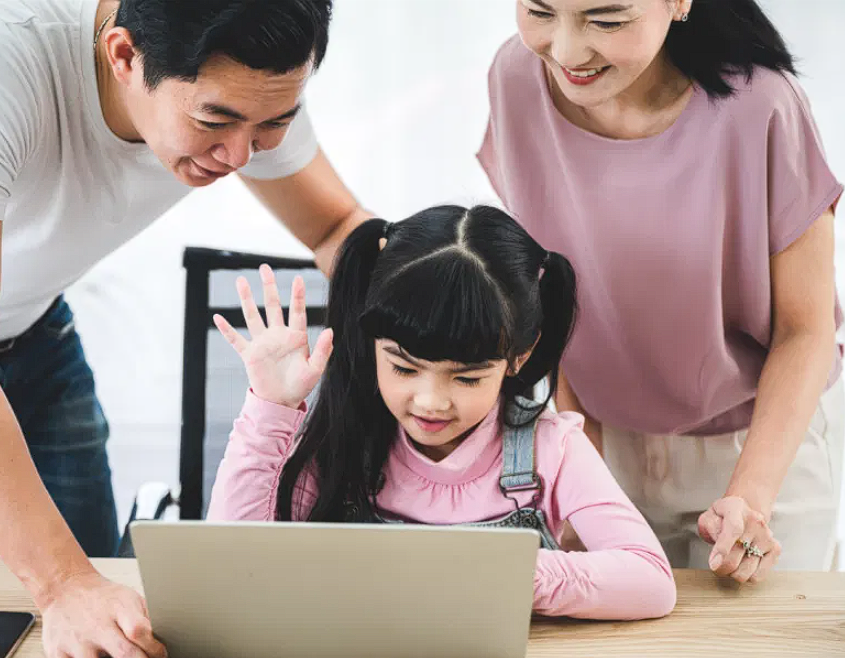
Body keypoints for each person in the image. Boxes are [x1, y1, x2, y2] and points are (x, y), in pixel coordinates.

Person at [0, 0, 370, 655]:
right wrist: (63, 584)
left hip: (35, 327)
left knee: (108, 601)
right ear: (124, 55)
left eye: (274, 124)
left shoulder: (251, 92)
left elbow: (336, 229)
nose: (240, 155)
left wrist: (446, 310)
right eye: (213, 122)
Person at [477, 0, 844, 584]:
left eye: (605, 19)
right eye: (540, 11)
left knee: (754, 631)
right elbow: (549, 294)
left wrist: (749, 497)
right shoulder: (516, 79)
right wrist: (580, 457)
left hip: (758, 447)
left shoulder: (760, 106)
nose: (566, 51)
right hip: (605, 448)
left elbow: (806, 330)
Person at [207, 207, 677, 620]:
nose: (431, 401)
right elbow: (230, 566)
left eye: (467, 378)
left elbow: (650, 579)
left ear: (519, 356)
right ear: (372, 345)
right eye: (403, 368)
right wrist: (271, 408)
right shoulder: (340, 440)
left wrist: (503, 574)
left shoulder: (550, 448)